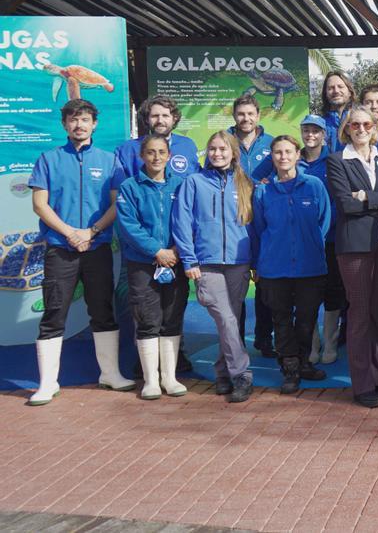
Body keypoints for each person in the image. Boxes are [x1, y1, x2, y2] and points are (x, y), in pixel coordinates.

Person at [27, 99, 133, 406]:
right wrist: (71, 233)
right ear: (64, 125)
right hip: (60, 249)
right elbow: (39, 204)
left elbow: (117, 204)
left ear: (94, 124)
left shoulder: (109, 160)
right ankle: (48, 383)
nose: (79, 125)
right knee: (54, 313)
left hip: (96, 247)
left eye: (84, 119)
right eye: (73, 120)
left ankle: (110, 374)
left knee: (102, 310)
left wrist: (91, 231)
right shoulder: (48, 159)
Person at [326, 105, 378, 408]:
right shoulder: (337, 161)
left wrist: (367, 197)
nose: (361, 129)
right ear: (347, 128)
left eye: (366, 124)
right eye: (354, 125)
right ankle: (362, 384)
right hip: (355, 248)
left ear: (374, 127)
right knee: (359, 314)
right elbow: (346, 205)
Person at [173, 131, 256, 403]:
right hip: (206, 264)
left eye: (222, 149)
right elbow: (182, 222)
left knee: (230, 320)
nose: (217, 153)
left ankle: (222, 373)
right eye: (212, 149)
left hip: (238, 262)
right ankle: (242, 373)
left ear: (233, 153)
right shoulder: (194, 182)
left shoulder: (245, 184)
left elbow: (253, 226)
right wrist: (189, 259)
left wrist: (255, 260)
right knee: (226, 318)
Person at [251, 136, 332, 394]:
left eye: (288, 152)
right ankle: (290, 368)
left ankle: (304, 361)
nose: (283, 157)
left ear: (298, 154)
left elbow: (325, 221)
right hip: (275, 267)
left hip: (310, 266)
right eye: (277, 152)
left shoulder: (314, 186)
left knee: (307, 319)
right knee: (282, 319)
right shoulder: (263, 191)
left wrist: (313, 245)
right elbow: (259, 228)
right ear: (272, 157)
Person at [115, 135, 190, 400]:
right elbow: (128, 226)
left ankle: (169, 378)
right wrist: (157, 251)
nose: (156, 157)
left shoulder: (181, 185)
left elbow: (189, 220)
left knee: (172, 318)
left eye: (161, 152)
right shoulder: (129, 187)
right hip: (142, 264)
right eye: (150, 152)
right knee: (147, 320)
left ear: (169, 155)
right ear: (141, 156)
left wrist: (176, 251)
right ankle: (150, 380)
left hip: (176, 262)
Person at [230, 94, 275, 358]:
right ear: (234, 115)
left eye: (250, 114)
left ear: (258, 116)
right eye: (241, 114)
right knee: (236, 286)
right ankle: (235, 341)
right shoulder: (225, 142)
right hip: (235, 221)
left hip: (265, 221)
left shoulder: (271, 144)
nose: (245, 119)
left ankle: (264, 337)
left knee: (266, 284)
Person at [298, 115, 345, 365]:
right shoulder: (294, 161)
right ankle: (312, 345)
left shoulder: (335, 160)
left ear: (324, 134)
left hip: (332, 238)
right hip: (303, 241)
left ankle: (330, 342)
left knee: (333, 291)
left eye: (316, 131)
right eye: (306, 130)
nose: (311, 135)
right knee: (307, 293)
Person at [113, 95, 200, 186]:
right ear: (147, 119)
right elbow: (118, 187)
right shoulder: (127, 149)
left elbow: (196, 180)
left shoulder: (187, 145)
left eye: (165, 116)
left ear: (174, 119)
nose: (160, 120)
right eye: (155, 116)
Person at [320, 71, 355, 152]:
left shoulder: (360, 120)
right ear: (325, 94)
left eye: (340, 86)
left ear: (349, 92)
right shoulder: (321, 124)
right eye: (330, 88)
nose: (336, 91)